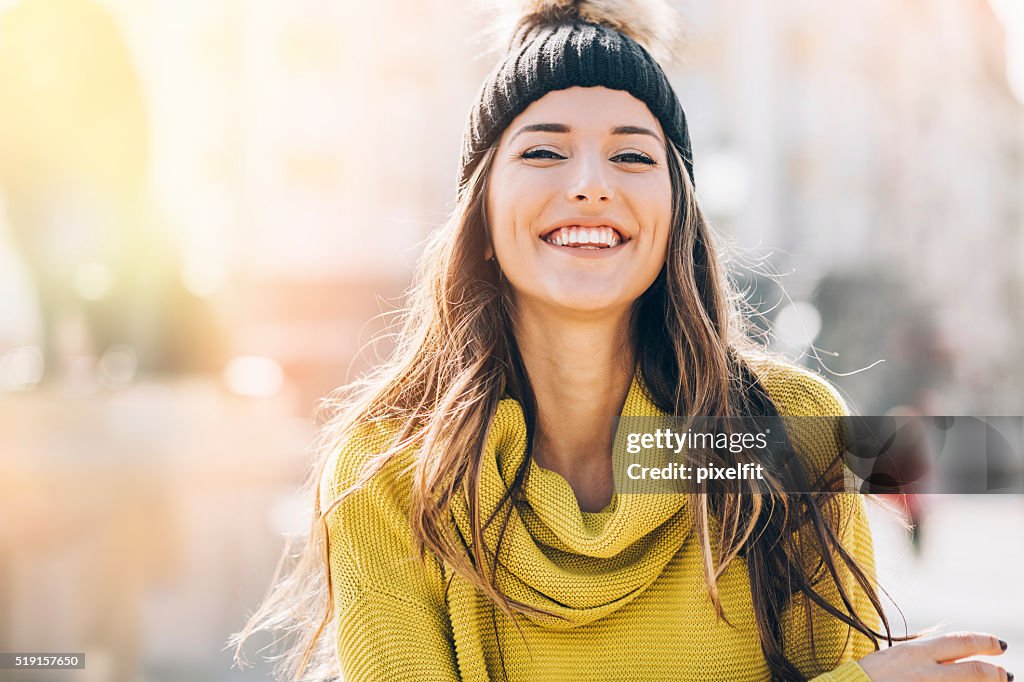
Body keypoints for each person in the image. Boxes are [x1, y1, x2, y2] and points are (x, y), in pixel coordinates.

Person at [232, 1, 1012, 680]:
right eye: (543, 150)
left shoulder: (787, 431)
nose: (590, 183)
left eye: (634, 155)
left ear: (674, 216)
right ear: (482, 211)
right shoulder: (385, 475)